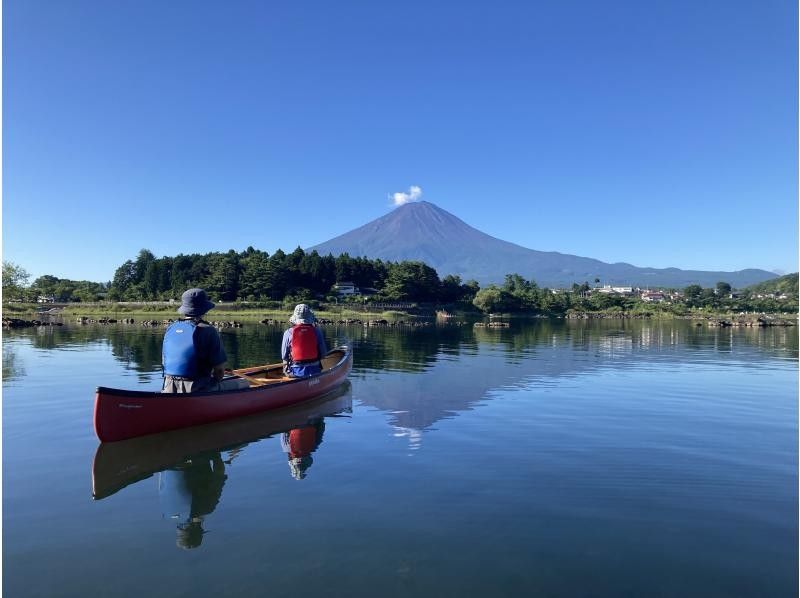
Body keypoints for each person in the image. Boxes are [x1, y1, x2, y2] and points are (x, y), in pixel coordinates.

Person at [162, 288, 249, 393]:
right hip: (197, 388)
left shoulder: (171, 328)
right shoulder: (208, 330)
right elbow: (220, 372)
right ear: (204, 309)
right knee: (244, 383)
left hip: (168, 387)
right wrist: (213, 380)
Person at [281, 304, 328, 378]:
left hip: (295, 371)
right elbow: (323, 354)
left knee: (285, 361)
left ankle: (288, 377)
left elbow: (284, 356)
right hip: (314, 370)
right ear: (310, 317)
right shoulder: (317, 331)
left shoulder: (288, 332)